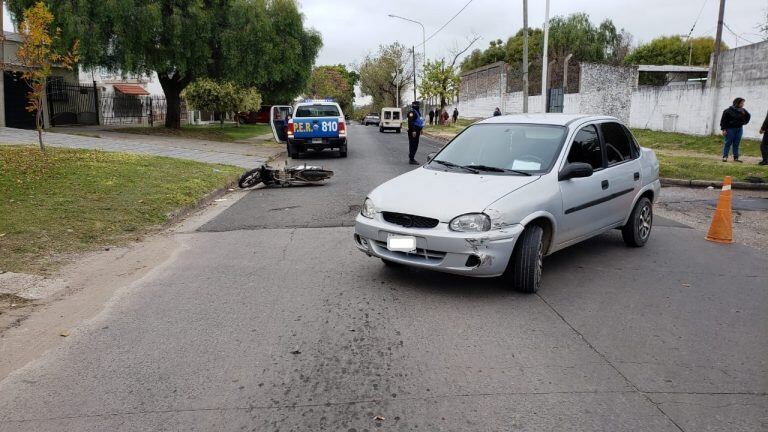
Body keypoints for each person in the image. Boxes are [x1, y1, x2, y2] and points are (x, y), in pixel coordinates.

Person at [719, 97, 751, 162]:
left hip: (739, 129)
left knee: (736, 143)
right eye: (742, 103)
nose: (743, 104)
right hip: (730, 129)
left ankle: (736, 158)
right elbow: (723, 121)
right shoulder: (728, 111)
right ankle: (725, 157)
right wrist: (724, 129)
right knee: (728, 142)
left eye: (743, 103)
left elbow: (748, 116)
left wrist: (744, 122)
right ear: (737, 103)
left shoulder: (743, 110)